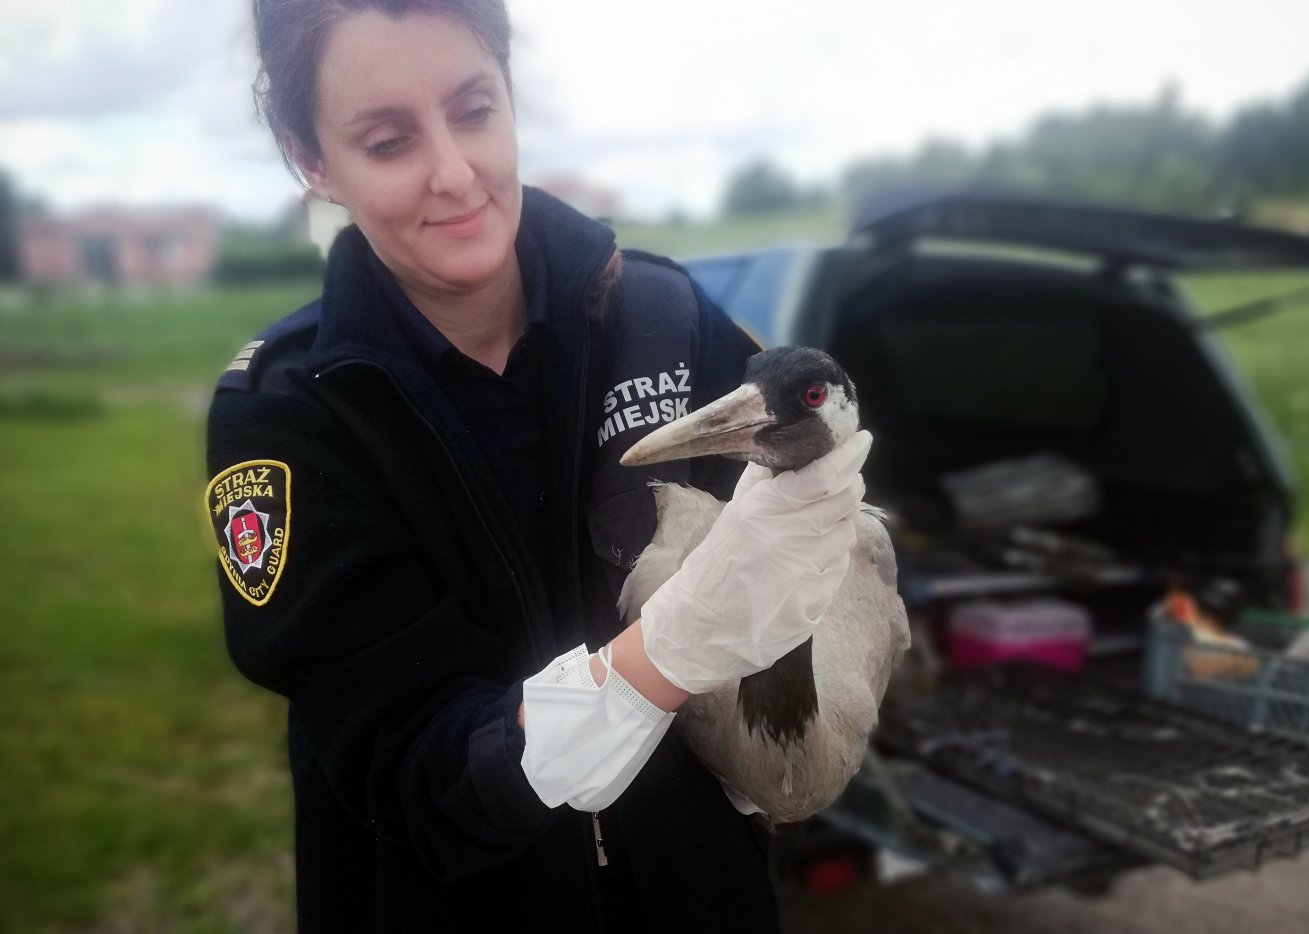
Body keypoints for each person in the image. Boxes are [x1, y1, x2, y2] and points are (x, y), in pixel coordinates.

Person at [205, 1, 868, 931]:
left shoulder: (663, 316)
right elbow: (411, 774)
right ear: (313, 160)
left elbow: (805, 556)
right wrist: (668, 651)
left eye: (475, 111)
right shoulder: (290, 415)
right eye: (388, 141)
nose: (454, 174)